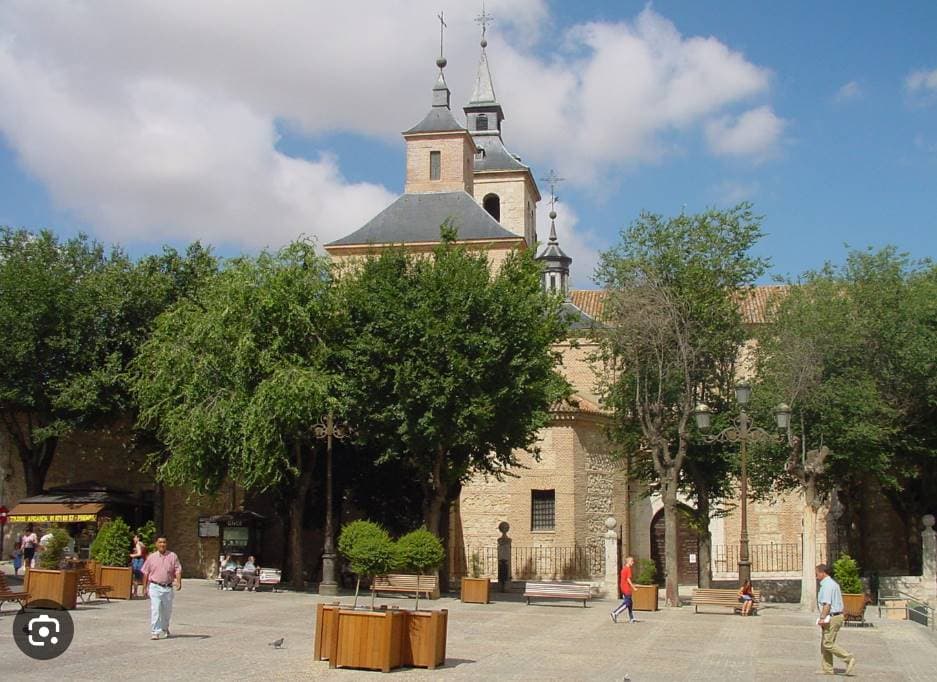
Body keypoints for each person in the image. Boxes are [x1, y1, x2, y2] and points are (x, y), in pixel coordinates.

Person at [815, 563, 856, 676]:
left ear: (823, 573)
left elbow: (827, 604)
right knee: (826, 644)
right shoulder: (831, 584)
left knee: (827, 643)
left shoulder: (828, 585)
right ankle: (828, 669)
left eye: (817, 573)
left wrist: (822, 618)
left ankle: (848, 657)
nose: (816, 576)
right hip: (835, 616)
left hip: (832, 617)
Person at [142, 536, 182, 640]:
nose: (162, 544)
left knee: (167, 611)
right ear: (156, 544)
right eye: (160, 542)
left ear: (166, 544)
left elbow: (177, 569)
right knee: (156, 609)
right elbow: (146, 572)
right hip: (155, 586)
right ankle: (155, 631)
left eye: (164, 542)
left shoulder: (172, 556)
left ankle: (165, 627)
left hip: (167, 587)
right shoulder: (151, 557)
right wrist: (144, 587)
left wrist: (178, 581)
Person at [610, 556, 637, 624]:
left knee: (630, 603)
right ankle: (615, 613)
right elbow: (628, 579)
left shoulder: (624, 569)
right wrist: (633, 587)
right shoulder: (628, 569)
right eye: (632, 561)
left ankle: (631, 618)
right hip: (626, 588)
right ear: (628, 562)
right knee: (627, 603)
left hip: (623, 587)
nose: (633, 563)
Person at [130, 534, 148, 598]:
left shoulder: (138, 544)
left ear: (138, 538)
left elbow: (139, 553)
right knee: (143, 577)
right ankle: (145, 592)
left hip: (137, 562)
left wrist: (132, 555)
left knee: (136, 578)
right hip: (143, 561)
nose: (133, 539)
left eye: (135, 538)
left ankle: (135, 592)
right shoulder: (143, 544)